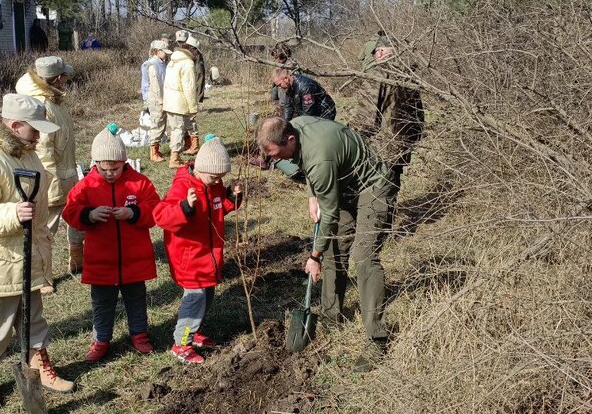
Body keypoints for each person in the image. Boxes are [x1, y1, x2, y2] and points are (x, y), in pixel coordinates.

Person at [0, 93, 75, 411]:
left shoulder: (26, 153)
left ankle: (39, 366)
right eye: (34, 128)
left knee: (33, 317)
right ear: (15, 125)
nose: (39, 135)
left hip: (28, 254)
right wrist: (10, 214)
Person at [257, 116, 395, 373]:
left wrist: (314, 255)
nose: (274, 160)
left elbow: (329, 214)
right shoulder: (295, 124)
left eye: (276, 155)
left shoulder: (320, 159)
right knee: (335, 250)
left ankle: (377, 338)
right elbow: (308, 165)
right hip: (343, 184)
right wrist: (313, 195)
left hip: (373, 186)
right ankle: (332, 316)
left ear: (290, 139)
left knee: (365, 259)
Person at [63, 124, 160, 362]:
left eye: (115, 168)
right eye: (103, 168)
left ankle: (139, 335)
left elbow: (155, 210)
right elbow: (70, 210)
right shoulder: (86, 186)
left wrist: (133, 213)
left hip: (134, 258)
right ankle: (101, 340)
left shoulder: (139, 183)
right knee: (102, 304)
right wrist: (89, 215)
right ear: (95, 164)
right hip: (101, 260)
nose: (109, 173)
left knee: (136, 300)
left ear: (124, 162)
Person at [153, 136, 243, 364]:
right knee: (195, 299)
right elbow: (161, 216)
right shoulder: (182, 187)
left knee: (207, 296)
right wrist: (185, 208)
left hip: (209, 256)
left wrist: (233, 197)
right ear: (201, 168)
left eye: (220, 179)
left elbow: (220, 208)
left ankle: (195, 332)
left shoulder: (214, 185)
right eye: (213, 177)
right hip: (189, 257)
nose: (216, 182)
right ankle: (181, 343)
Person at [15, 55, 82, 285]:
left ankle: (77, 258)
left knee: (77, 218)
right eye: (64, 76)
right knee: (45, 232)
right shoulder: (42, 106)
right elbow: (44, 152)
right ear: (58, 77)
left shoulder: (52, 100)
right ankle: (41, 278)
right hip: (52, 180)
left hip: (66, 174)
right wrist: (50, 188)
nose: (66, 80)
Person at [352, 34, 425, 191]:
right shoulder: (408, 75)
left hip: (379, 150)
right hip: (402, 146)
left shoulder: (377, 74)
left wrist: (347, 139)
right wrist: (410, 142)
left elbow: (364, 121)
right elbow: (419, 116)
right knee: (391, 191)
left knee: (377, 197)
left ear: (379, 52)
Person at [162, 35, 199, 168]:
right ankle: (175, 158)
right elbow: (189, 87)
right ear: (192, 49)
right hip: (179, 102)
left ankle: (175, 155)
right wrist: (193, 107)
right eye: (196, 50)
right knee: (178, 129)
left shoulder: (173, 61)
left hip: (169, 100)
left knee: (174, 128)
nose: (196, 53)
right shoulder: (187, 63)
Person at [175, 30, 205, 155]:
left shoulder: (196, 58)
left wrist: (198, 96)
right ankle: (188, 143)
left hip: (190, 91)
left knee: (190, 118)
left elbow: (199, 78)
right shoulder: (184, 56)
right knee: (183, 119)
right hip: (182, 92)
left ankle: (194, 145)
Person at [141, 40, 171, 163]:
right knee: (157, 123)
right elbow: (155, 85)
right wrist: (160, 100)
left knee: (162, 123)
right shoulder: (151, 64)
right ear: (156, 51)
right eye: (164, 52)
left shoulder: (162, 63)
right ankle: (153, 151)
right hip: (155, 98)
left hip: (162, 97)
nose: (166, 54)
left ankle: (156, 149)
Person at [272, 68, 337, 121]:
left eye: (280, 84)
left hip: (324, 113)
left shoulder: (305, 87)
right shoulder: (288, 87)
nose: (279, 87)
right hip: (310, 112)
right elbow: (288, 107)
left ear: (286, 79)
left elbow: (308, 113)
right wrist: (284, 123)